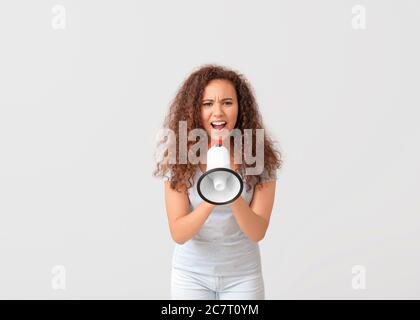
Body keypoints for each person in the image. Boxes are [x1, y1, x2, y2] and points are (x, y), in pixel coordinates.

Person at [154, 64, 282, 299]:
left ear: (240, 108)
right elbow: (179, 233)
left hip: (243, 276)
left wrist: (231, 192)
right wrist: (211, 195)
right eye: (207, 104)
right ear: (194, 110)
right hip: (191, 275)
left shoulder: (259, 158)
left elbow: (257, 232)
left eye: (227, 102)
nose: (218, 112)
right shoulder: (180, 160)